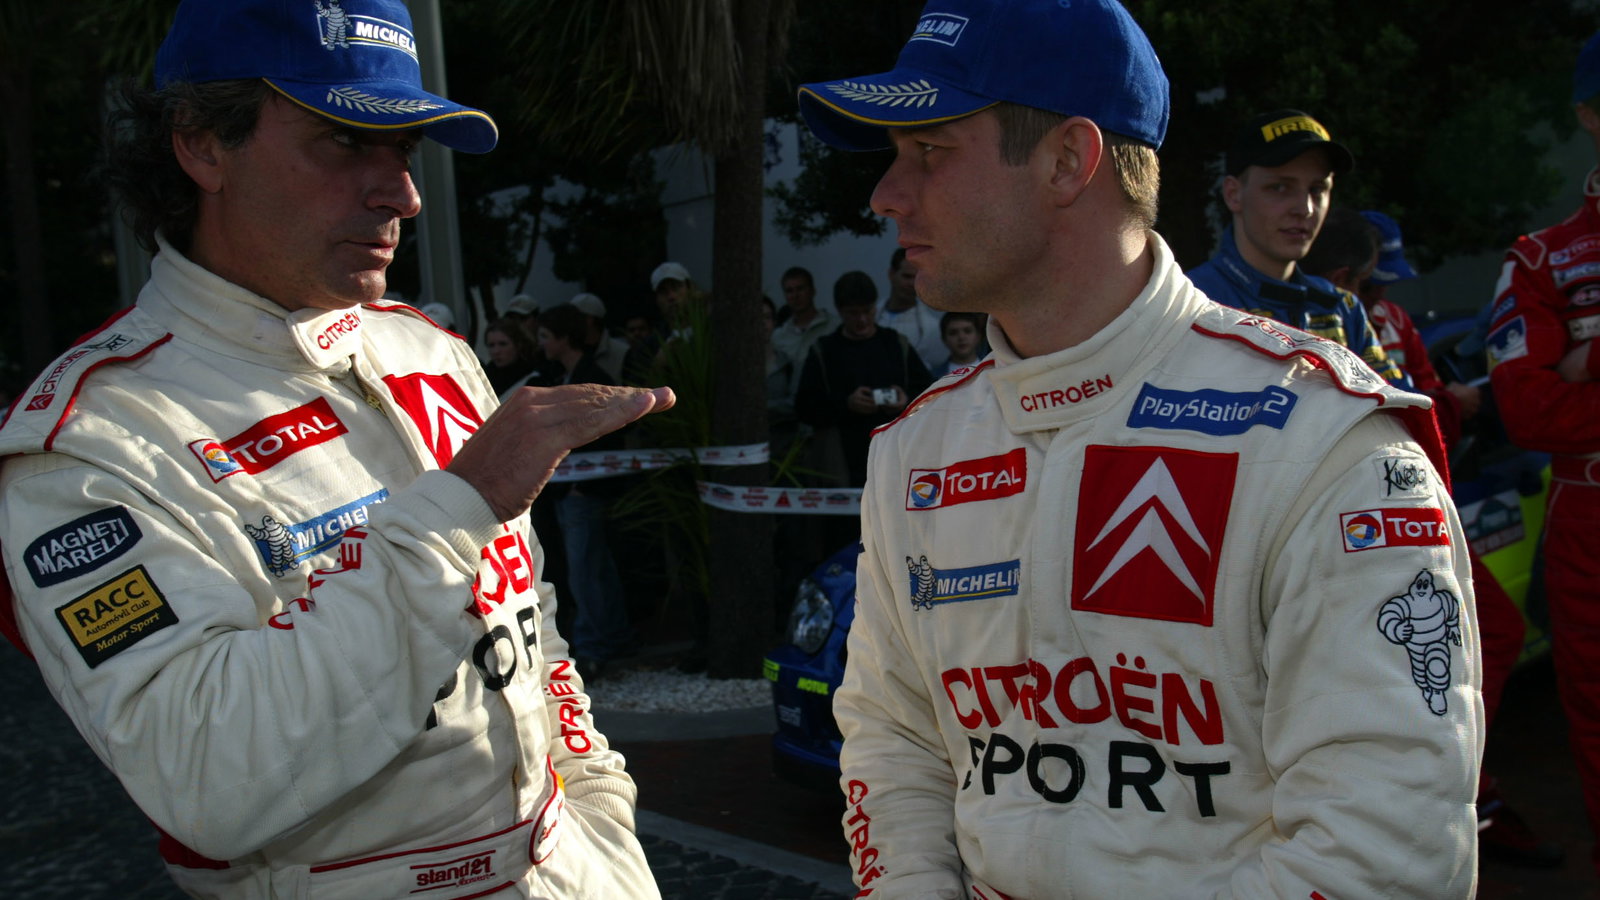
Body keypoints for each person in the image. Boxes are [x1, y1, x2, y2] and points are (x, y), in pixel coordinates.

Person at [795, 1, 1480, 896]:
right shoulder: (916, 448)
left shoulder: (1327, 443)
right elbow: (897, 741)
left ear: (1069, 161)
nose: (886, 194)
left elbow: (1390, 855)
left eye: (930, 151)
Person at [0, 1, 673, 897]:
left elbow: (532, 626)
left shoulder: (426, 351)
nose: (402, 194)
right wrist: (455, 507)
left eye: (404, 153)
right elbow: (206, 776)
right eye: (345, 141)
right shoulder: (86, 444)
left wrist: (598, 811)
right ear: (202, 144)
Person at [1305, 207, 1560, 866]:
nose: (1381, 297)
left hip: (1420, 509)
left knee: (1477, 642)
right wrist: (1454, 403)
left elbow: (1417, 399)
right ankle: (1453, 783)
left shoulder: (1380, 320)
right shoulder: (1306, 317)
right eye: (1373, 283)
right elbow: (1417, 409)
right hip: (1364, 521)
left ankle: (1463, 778)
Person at [1485, 28, 1600, 879]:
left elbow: (1562, 390)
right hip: (1587, 512)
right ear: (1590, 116)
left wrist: (1587, 357)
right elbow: (1530, 409)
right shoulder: (1540, 257)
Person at [1187, 109, 1408, 388]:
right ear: (1233, 194)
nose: (1304, 208)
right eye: (1280, 187)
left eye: (1317, 190)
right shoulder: (1189, 305)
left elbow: (1400, 415)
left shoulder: (1343, 307)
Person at [537, 304, 636, 682]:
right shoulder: (559, 376)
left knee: (586, 572)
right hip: (568, 493)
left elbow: (608, 436)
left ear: (564, 337)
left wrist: (582, 485)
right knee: (595, 569)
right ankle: (612, 637)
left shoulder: (591, 379)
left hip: (585, 493)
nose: (541, 344)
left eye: (546, 336)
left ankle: (594, 646)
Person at [793, 270, 932, 490]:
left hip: (895, 461)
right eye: (853, 313)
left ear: (875, 306)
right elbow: (804, 407)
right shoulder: (824, 351)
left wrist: (905, 400)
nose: (862, 320)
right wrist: (846, 404)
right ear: (840, 312)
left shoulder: (896, 344)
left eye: (867, 311)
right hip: (840, 465)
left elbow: (929, 393)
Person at [877, 248, 948, 372]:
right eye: (906, 276)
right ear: (891, 274)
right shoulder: (870, 319)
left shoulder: (932, 328)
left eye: (916, 278)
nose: (911, 283)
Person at [771, 265, 838, 368]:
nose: (795, 295)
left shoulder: (834, 326)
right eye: (789, 291)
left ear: (812, 291)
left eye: (800, 289)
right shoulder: (778, 337)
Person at [570, 292, 627, 383]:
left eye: (574, 317)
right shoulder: (572, 350)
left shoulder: (622, 352)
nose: (570, 323)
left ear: (589, 319)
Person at [483, 316, 541, 397]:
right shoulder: (482, 378)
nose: (496, 351)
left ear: (518, 345)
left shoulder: (533, 380)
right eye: (491, 345)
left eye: (503, 344)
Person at [931, 310, 985, 377]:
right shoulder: (933, 376)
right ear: (944, 339)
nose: (961, 337)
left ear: (978, 335)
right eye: (953, 333)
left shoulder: (995, 367)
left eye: (967, 331)